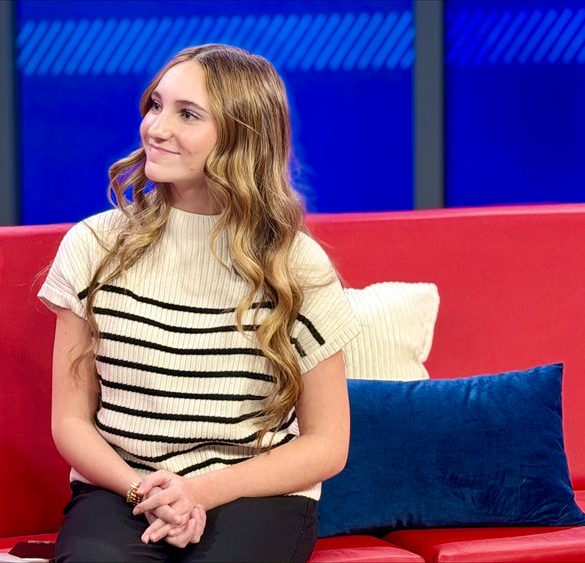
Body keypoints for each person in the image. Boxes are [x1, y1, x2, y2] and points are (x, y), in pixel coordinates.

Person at [38, 44, 361, 562]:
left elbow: (327, 443)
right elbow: (70, 421)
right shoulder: (92, 245)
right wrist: (143, 490)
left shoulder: (296, 263)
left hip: (253, 493)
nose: (156, 128)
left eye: (187, 114)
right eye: (156, 105)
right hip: (122, 489)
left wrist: (201, 492)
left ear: (240, 138)